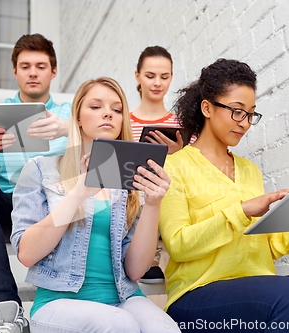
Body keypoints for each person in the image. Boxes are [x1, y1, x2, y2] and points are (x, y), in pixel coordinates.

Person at [159, 59, 289, 332]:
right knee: (288, 295)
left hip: (259, 285)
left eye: (251, 114)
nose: (245, 123)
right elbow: (178, 245)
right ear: (207, 108)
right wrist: (242, 211)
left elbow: (265, 247)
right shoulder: (174, 166)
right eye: (237, 112)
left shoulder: (249, 170)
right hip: (197, 295)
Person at [10, 77, 181, 332]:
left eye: (117, 109)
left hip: (123, 297)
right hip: (59, 301)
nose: (108, 114)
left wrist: (153, 204)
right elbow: (26, 254)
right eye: (96, 107)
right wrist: (78, 194)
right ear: (77, 117)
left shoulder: (130, 183)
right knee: (119, 325)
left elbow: (134, 271)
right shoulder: (40, 169)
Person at [0, 33, 71, 331]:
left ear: (53, 71)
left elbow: (102, 145)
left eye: (40, 66)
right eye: (25, 66)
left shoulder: (70, 116)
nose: (33, 72)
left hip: (55, 206)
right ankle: (1, 305)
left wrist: (65, 129)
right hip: (8, 207)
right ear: (15, 71)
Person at [131, 45, 188, 283]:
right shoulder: (122, 121)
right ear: (137, 76)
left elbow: (197, 169)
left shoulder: (182, 125)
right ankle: (146, 256)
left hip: (171, 197)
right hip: (133, 197)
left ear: (171, 78)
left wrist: (179, 153)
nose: (157, 83)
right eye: (150, 76)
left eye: (164, 77)